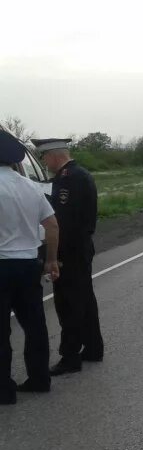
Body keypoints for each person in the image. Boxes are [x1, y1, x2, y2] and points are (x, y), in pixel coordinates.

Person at [33, 138, 104, 376]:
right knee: (84, 299)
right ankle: (93, 347)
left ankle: (70, 356)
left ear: (53, 155)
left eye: (44, 158)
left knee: (68, 304)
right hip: (81, 247)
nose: (44, 163)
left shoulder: (67, 179)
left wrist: (55, 255)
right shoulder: (80, 173)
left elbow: (63, 222)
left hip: (70, 250)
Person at [0, 132, 60, 403]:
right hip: (28, 263)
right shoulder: (31, 187)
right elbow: (52, 225)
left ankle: (4, 390)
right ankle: (39, 378)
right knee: (34, 324)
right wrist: (50, 260)